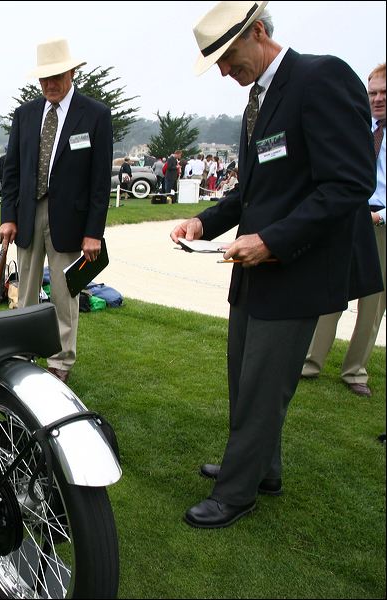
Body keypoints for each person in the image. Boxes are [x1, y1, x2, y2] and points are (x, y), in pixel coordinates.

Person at [172, 1, 380, 529]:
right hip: (255, 270)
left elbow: (349, 184)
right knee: (246, 379)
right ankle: (262, 468)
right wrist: (203, 222)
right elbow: (254, 190)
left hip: (297, 269)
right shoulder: (258, 100)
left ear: (259, 32)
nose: (224, 70)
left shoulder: (321, 78)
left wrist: (272, 242)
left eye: (227, 56)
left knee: (263, 386)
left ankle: (235, 493)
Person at [0, 38, 112, 384]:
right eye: (44, 78)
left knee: (65, 294)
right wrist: (8, 216)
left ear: (72, 73)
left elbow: (99, 182)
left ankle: (60, 362)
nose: (50, 84)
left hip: (71, 222)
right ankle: (23, 352)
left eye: (56, 76)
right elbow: (12, 170)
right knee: (25, 292)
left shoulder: (95, 115)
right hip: (27, 216)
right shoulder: (25, 115)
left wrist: (93, 233)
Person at [301, 63, 386, 398]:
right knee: (331, 289)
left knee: (373, 302)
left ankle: (355, 371)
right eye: (373, 93)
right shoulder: (355, 126)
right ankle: (310, 361)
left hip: (381, 223)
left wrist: (379, 216)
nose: (377, 99)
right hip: (347, 215)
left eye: (384, 93)